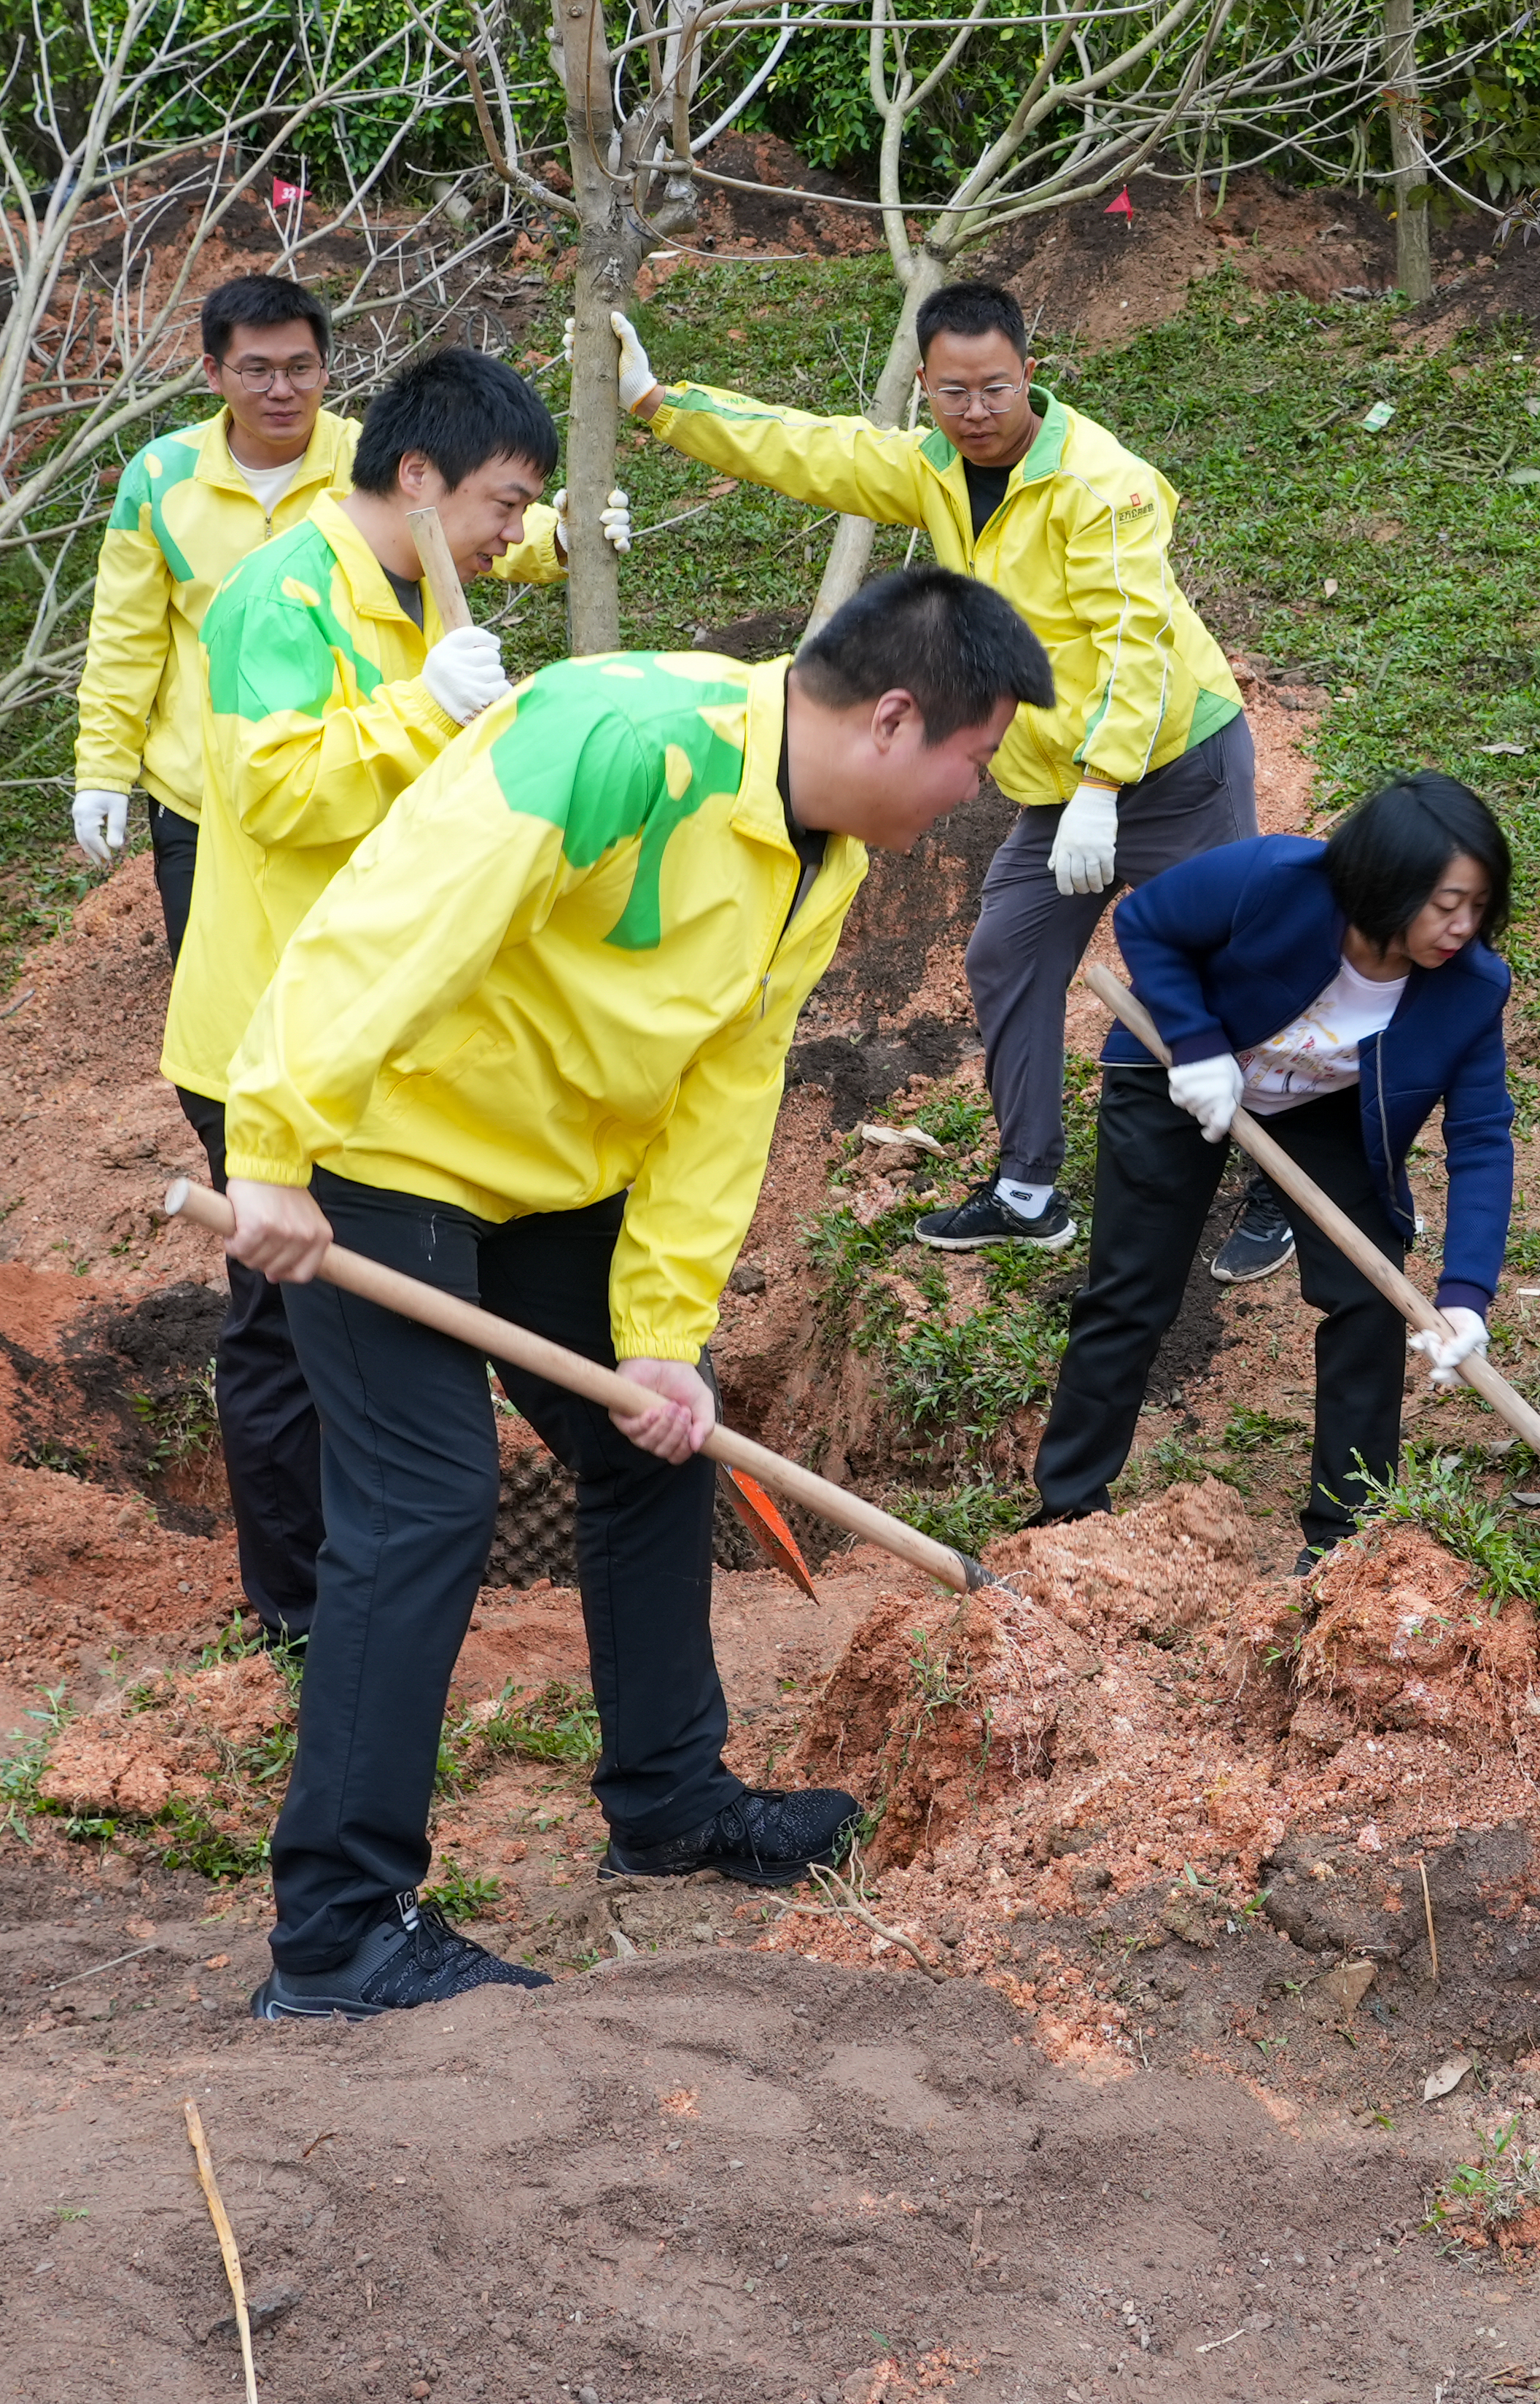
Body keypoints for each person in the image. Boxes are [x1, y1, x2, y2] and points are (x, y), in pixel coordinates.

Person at [213, 565, 1056, 2017]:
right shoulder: (612, 737)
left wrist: (665, 1337)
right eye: (973, 765)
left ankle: (668, 1796)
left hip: (545, 1173)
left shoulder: (821, 860)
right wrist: (274, 1146)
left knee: (657, 1435)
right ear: (896, 718)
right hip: (381, 1146)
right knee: (427, 1500)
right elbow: (396, 924)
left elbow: (719, 1100)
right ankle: (338, 1928)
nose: (967, 799)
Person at [616, 280, 1259, 1259]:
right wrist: (663, 406)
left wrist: (1102, 786)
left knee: (1236, 971)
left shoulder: (1100, 482)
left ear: (1029, 375)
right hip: (1059, 786)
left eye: (996, 389)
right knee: (1009, 952)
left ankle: (1282, 1189)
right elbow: (812, 452)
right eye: (955, 393)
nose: (977, 413)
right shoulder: (935, 468)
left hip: (1175, 766)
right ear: (926, 386)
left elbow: (1140, 642)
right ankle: (1029, 1190)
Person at [152, 346, 565, 1645]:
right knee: (283, 1324)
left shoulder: (416, 579)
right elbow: (271, 788)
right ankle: (297, 1607)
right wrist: (417, 714)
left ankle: (355, 1580)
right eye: (506, 503)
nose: (516, 531)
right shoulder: (283, 596)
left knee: (340, 1318)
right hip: (262, 1037)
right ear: (420, 476)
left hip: (357, 1032)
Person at [1030, 774, 1519, 1570]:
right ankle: (1067, 1511)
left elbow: (1481, 1137)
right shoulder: (1275, 880)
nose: (1462, 925)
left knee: (1369, 1296)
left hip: (1324, 1103)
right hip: (1179, 1069)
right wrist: (1195, 1043)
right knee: (1133, 1289)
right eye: (1444, 902)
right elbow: (1144, 921)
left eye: (1477, 903)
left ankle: (1344, 1544)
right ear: (1384, 882)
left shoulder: (1470, 987)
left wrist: (1466, 1294)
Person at [64, 273, 579, 960]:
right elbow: (125, 639)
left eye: (301, 368)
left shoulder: (369, 462)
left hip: (338, 799)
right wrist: (103, 769)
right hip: (200, 787)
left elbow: (467, 506)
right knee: (230, 955)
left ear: (325, 369)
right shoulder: (164, 481)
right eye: (259, 370)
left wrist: (561, 539)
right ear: (214, 373)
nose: (283, 390)